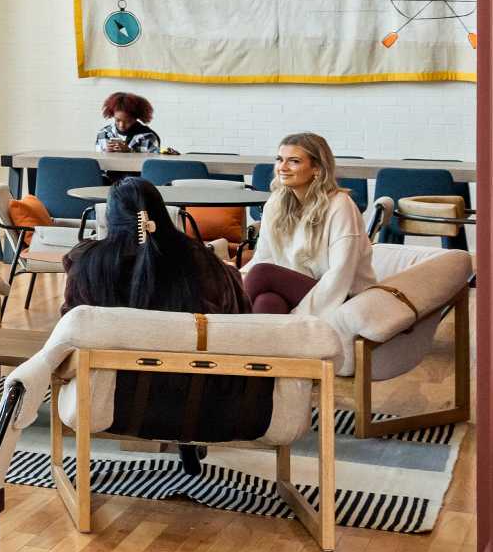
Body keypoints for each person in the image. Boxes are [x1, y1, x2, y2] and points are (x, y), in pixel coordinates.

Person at [61, 177, 270, 440]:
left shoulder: (87, 265)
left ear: (110, 219)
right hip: (204, 407)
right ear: (162, 212)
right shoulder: (206, 262)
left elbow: (70, 333)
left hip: (114, 404)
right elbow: (238, 324)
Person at [242, 131, 373, 317]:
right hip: (299, 289)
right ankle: (268, 345)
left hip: (342, 295)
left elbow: (341, 273)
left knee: (262, 273)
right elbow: (265, 256)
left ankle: (223, 326)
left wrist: (299, 315)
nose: (282, 167)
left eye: (294, 161)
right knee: (268, 301)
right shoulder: (276, 203)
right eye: (280, 159)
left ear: (317, 169)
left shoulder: (340, 205)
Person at [96, 91, 162, 154]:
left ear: (136, 118)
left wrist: (130, 152)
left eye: (127, 121)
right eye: (117, 120)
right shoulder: (103, 134)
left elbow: (152, 164)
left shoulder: (148, 137)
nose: (121, 125)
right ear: (112, 115)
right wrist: (105, 153)